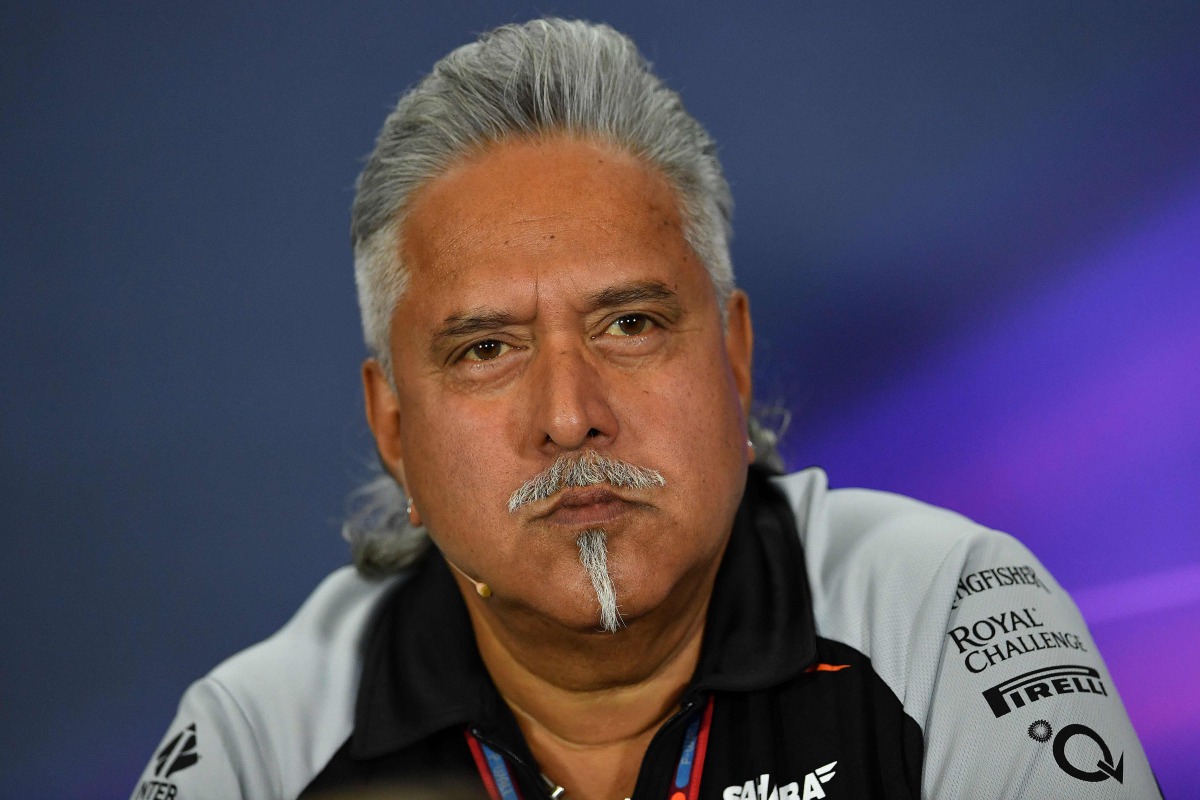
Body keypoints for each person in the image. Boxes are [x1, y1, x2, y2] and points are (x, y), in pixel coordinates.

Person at [132, 18, 1159, 800]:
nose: (570, 415)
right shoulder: (258, 744)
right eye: (486, 350)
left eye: (629, 324)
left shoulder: (942, 616)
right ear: (393, 428)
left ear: (734, 356)